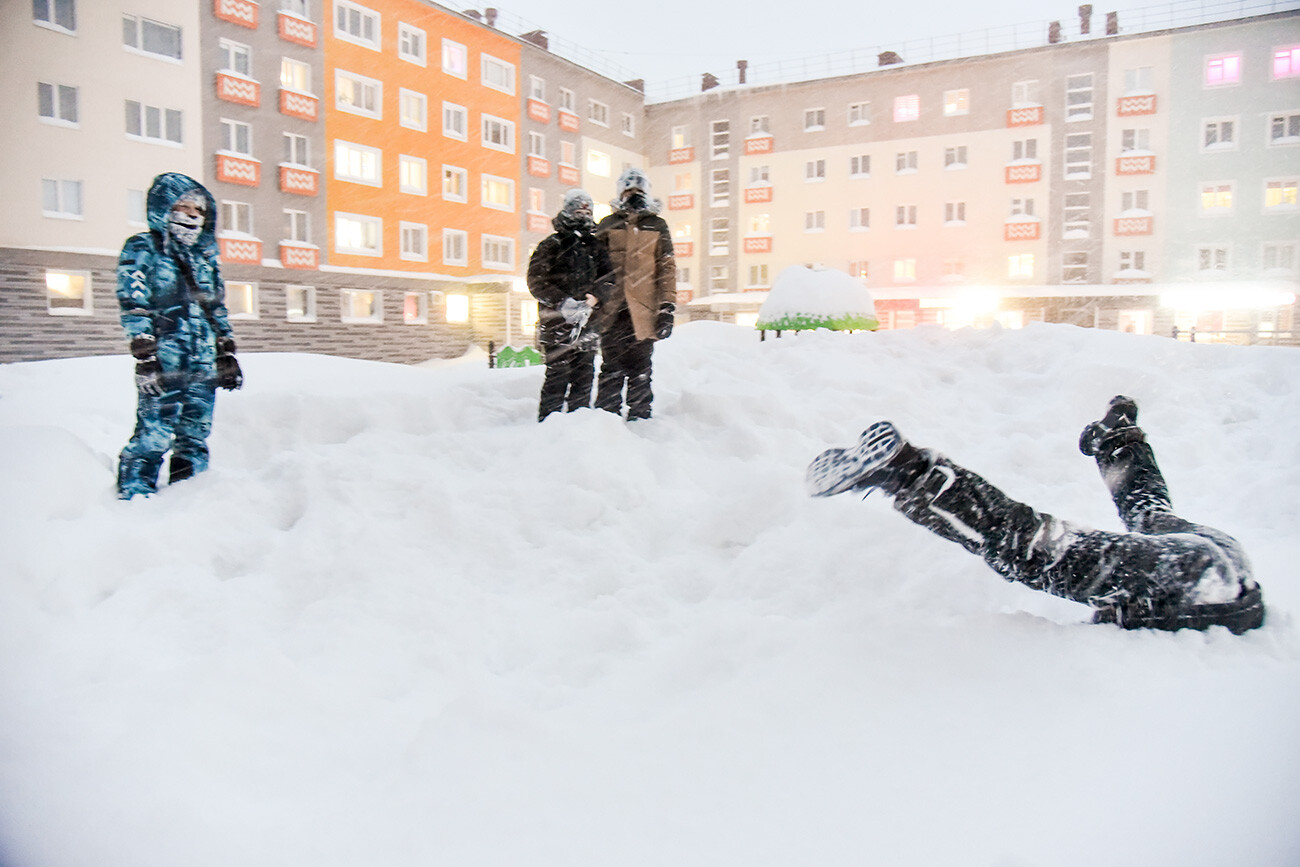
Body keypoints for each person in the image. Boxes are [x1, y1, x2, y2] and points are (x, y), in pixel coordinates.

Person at [806, 396, 1265, 633]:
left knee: (1144, 515)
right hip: (1201, 585)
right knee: (1035, 548)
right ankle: (910, 474)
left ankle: (1118, 437)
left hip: (1222, 562)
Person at [115, 172, 243, 500]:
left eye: (197, 211)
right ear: (163, 207)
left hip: (203, 362)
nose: (190, 216)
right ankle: (134, 498)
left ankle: (189, 499)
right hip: (165, 361)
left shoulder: (205, 260)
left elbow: (216, 308)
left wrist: (226, 352)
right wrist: (145, 355)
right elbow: (134, 302)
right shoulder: (143, 248)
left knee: (195, 435)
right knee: (153, 436)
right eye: (182, 207)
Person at [593, 167, 677, 420]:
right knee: (611, 368)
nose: (633, 195)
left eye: (639, 190)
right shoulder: (607, 224)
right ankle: (606, 420)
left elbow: (667, 268)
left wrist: (667, 307)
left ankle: (640, 419)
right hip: (612, 310)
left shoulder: (657, 225)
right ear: (621, 192)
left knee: (641, 368)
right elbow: (594, 266)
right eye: (629, 190)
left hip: (643, 311)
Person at [527, 190, 615, 421]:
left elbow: (609, 278)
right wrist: (562, 303)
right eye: (577, 210)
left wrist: (595, 297)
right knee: (557, 377)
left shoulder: (596, 247)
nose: (583, 215)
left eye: (587, 211)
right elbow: (536, 281)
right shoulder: (551, 245)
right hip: (556, 325)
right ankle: (549, 426)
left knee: (584, 378)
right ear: (567, 211)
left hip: (588, 323)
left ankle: (578, 427)